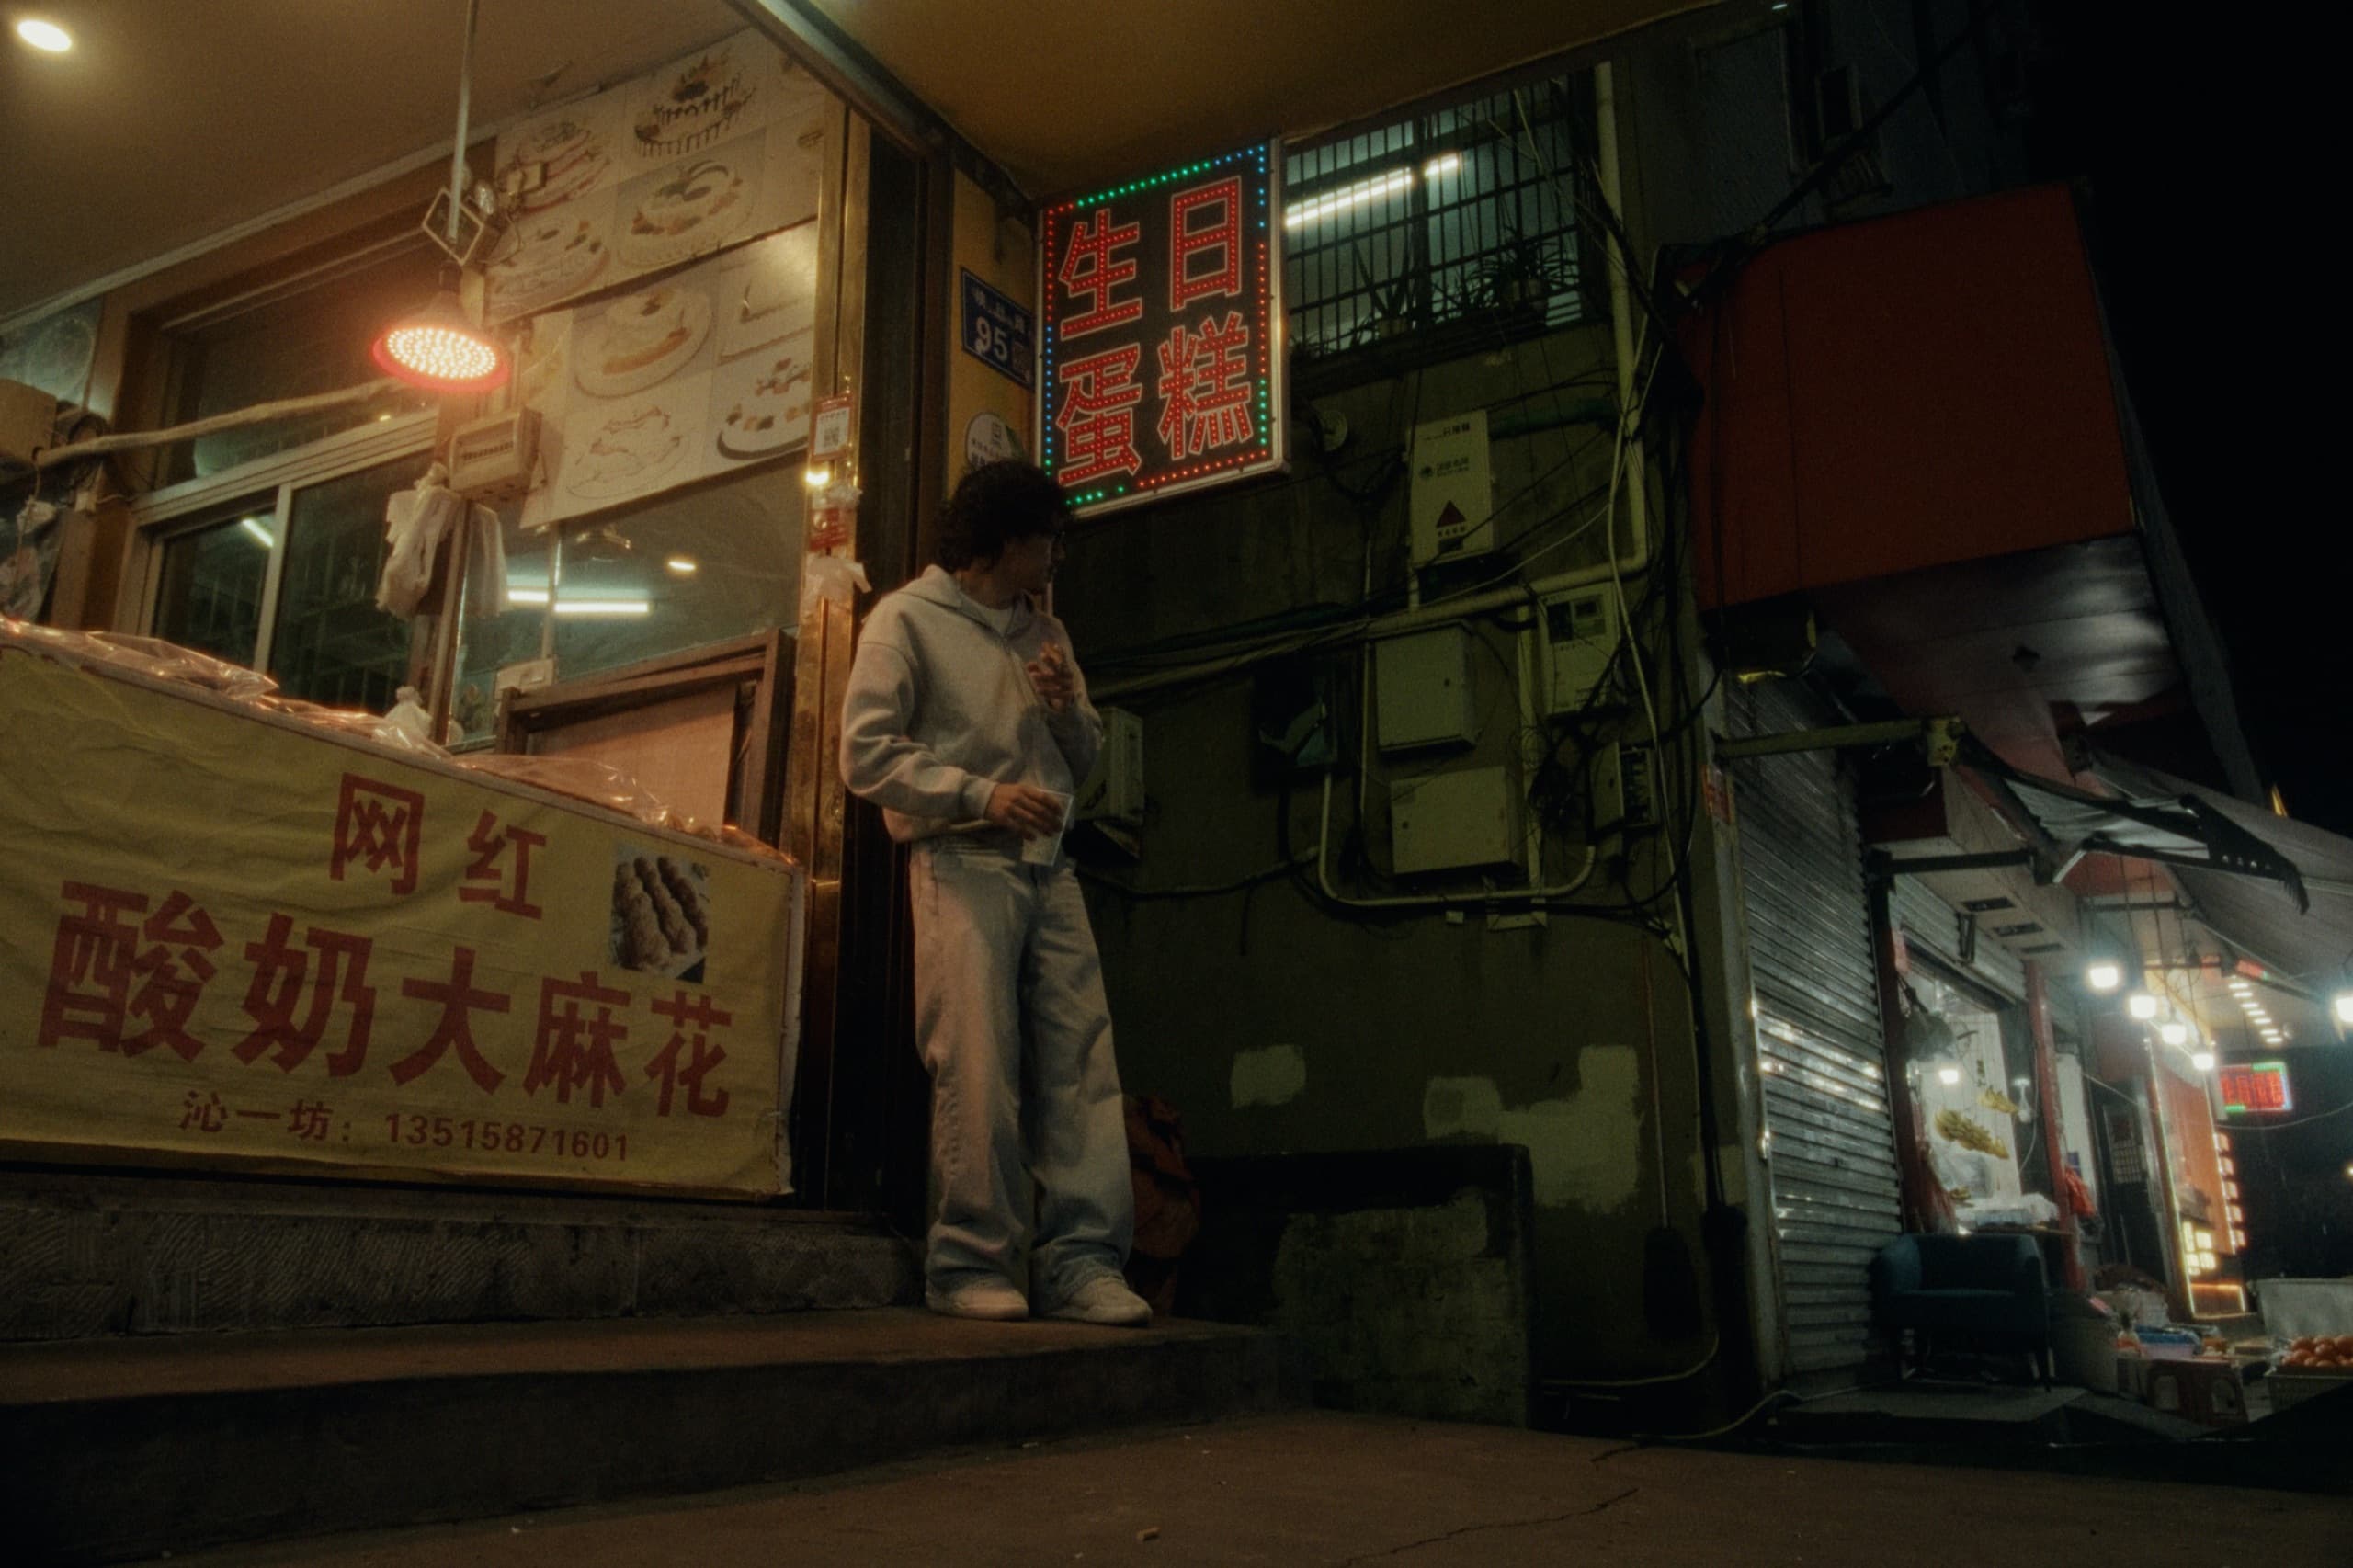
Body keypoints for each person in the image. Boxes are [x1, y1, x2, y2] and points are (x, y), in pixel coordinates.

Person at [838, 460, 1150, 1327]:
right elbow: (864, 754)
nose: (1058, 559)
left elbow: (1082, 762)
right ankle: (967, 1261)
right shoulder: (905, 618)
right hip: (961, 863)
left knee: (1080, 1061)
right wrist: (980, 794)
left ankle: (1082, 1265)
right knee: (976, 1062)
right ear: (1008, 539)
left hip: (1051, 867)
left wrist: (1063, 713)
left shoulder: (1044, 632)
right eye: (1050, 539)